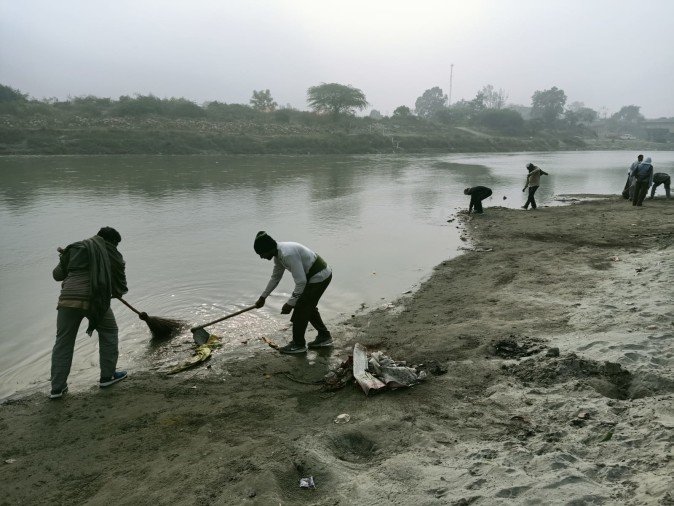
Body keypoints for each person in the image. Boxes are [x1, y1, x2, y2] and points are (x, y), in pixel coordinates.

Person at [50, 227, 129, 399]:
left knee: (63, 341)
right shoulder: (111, 251)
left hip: (67, 300)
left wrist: (65, 259)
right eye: (116, 244)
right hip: (95, 299)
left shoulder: (75, 247)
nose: (115, 247)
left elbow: (57, 275)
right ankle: (107, 377)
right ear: (111, 242)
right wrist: (116, 291)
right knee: (109, 331)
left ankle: (57, 388)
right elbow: (120, 280)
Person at [254, 231, 333, 354]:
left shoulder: (287, 254)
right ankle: (324, 336)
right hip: (313, 277)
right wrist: (263, 297)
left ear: (268, 249)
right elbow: (275, 278)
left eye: (261, 253)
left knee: (301, 308)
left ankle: (298, 344)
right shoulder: (278, 255)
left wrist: (290, 303)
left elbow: (301, 282)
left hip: (319, 276)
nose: (261, 257)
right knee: (308, 306)